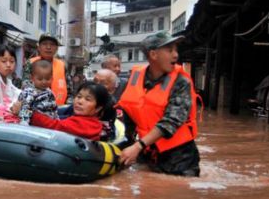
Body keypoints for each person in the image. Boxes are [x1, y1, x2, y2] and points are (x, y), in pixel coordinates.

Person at [117, 31, 201, 177]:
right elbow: (129, 114)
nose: (176, 55)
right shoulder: (136, 78)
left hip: (180, 157)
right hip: (149, 152)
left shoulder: (181, 82)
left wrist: (137, 146)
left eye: (176, 50)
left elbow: (171, 122)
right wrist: (126, 145)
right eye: (170, 50)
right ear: (154, 55)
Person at [29, 82, 110, 141]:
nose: (80, 101)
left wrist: (30, 113)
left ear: (98, 108)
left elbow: (54, 125)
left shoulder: (83, 124)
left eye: (87, 99)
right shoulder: (93, 122)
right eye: (79, 96)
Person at [22, 34, 72, 105]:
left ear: (56, 48)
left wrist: (68, 106)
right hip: (36, 109)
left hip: (60, 110)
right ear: (38, 47)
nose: (48, 47)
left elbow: (69, 91)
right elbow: (25, 87)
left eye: (52, 44)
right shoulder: (30, 63)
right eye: (44, 44)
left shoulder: (62, 65)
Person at [18, 59, 58, 126]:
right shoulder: (29, 92)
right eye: (40, 79)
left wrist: (57, 121)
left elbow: (54, 109)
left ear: (52, 78)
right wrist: (24, 122)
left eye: (47, 79)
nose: (44, 82)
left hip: (49, 123)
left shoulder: (50, 93)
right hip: (34, 125)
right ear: (32, 78)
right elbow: (25, 108)